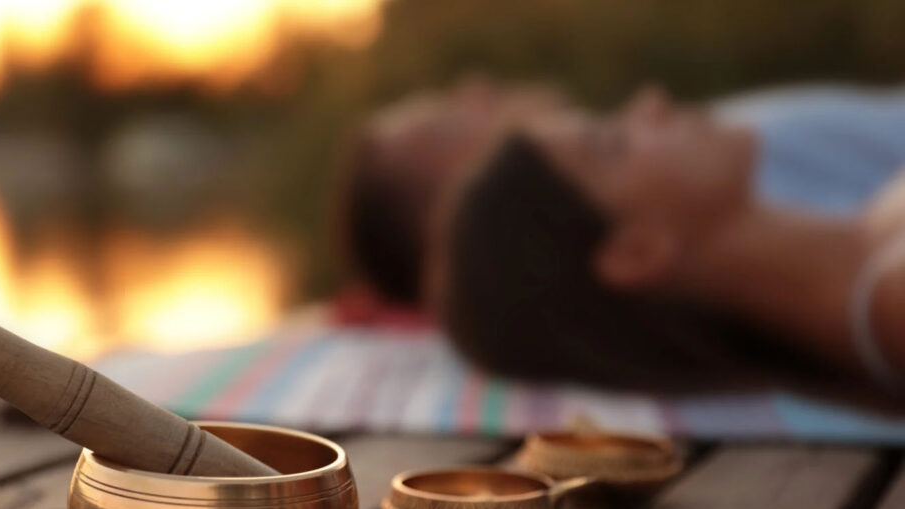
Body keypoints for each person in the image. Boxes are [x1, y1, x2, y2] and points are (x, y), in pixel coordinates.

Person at [335, 79, 905, 394]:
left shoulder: (878, 233)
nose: (654, 101)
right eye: (614, 140)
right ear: (637, 251)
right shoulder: (890, 300)